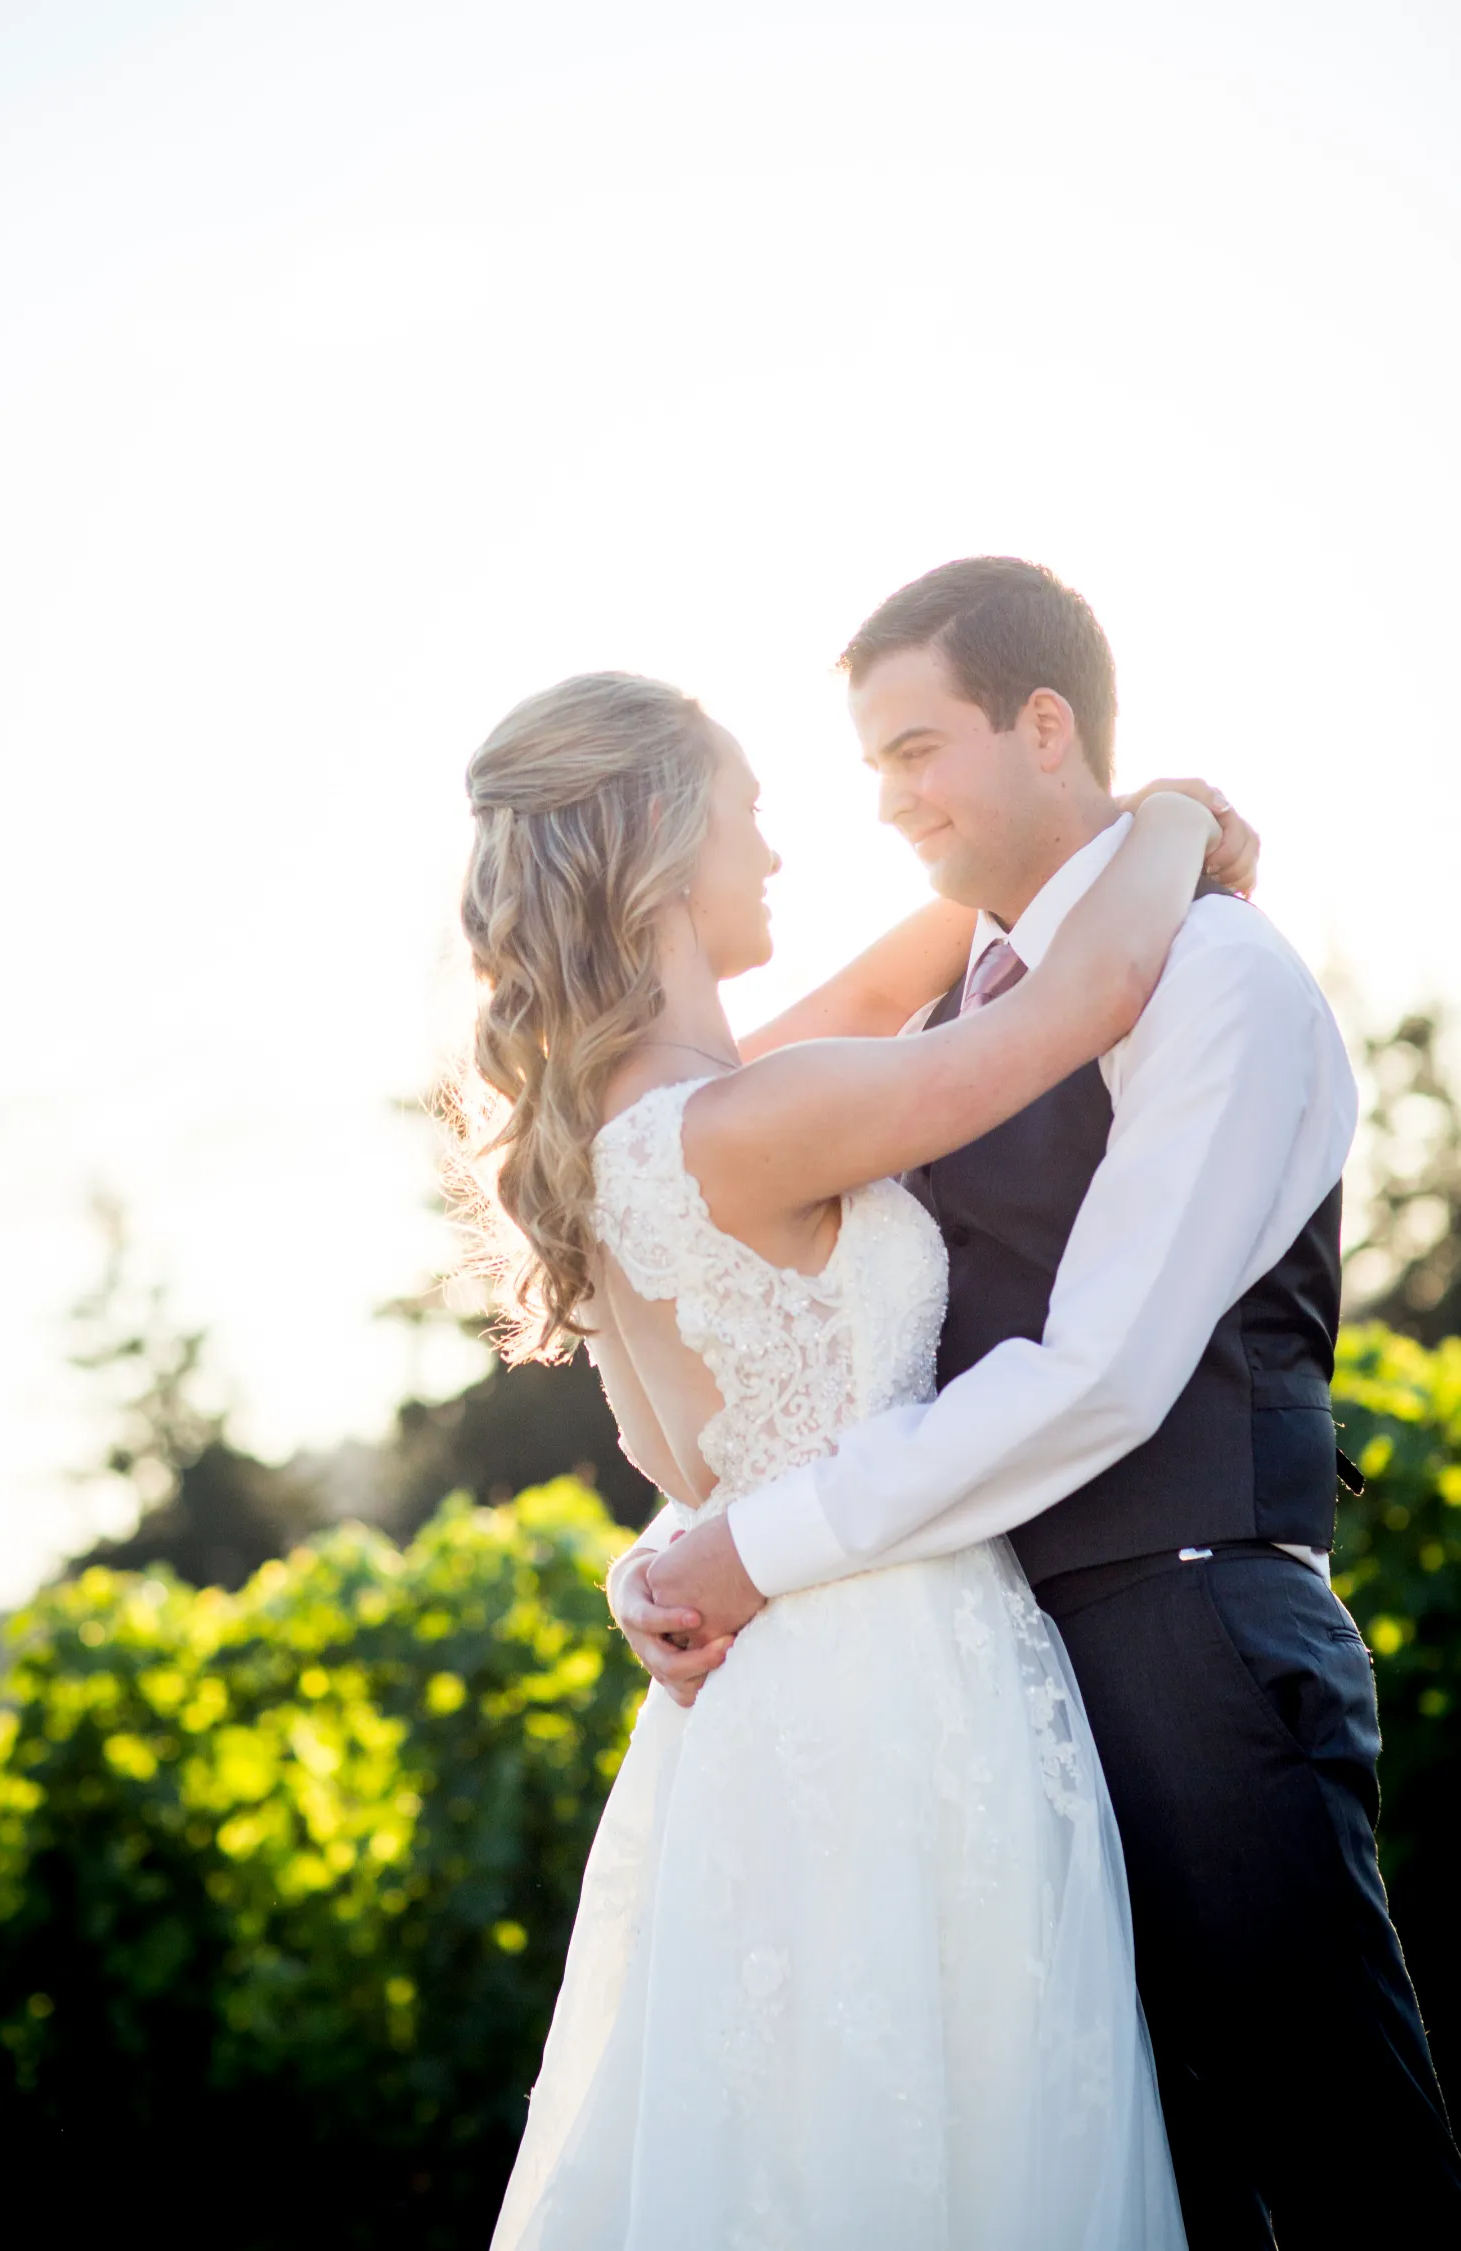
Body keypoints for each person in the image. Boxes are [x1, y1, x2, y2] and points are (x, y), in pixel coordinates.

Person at [628, 558, 1461, 2246]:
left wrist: (762, 1547)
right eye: (870, 764)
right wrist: (680, 1543)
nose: (888, 802)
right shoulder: (955, 1023)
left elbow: (1102, 1373)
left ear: (1047, 722)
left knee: (1346, 2171)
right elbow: (812, 1329)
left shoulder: (1218, 977)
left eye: (918, 749)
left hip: (1193, 1637)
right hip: (999, 1693)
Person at [460, 653, 1252, 2247]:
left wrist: (1038, 858)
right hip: (897, 1685)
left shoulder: (645, 1123)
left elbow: (914, 977)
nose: (776, 851)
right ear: (668, 846)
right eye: (751, 815)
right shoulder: (750, 1119)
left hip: (751, 1712)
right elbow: (1075, 1005)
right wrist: (1168, 821)